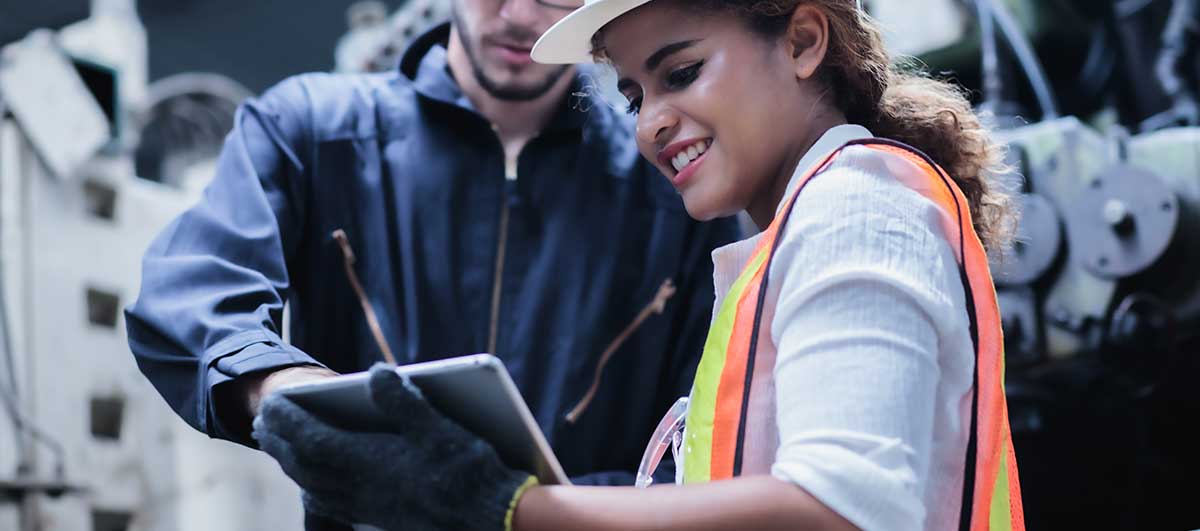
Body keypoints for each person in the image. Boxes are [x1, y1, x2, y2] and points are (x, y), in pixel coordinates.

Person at [252, 0, 1028, 529]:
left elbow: (844, 509)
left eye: (681, 72)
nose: (653, 120)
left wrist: (509, 506)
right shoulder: (794, 235)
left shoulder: (857, 207)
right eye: (633, 94)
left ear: (801, 40)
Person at [124, 0, 740, 523]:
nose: (522, 16)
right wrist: (278, 387)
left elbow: (702, 447)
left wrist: (531, 508)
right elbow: (193, 288)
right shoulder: (311, 130)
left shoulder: (667, 185)